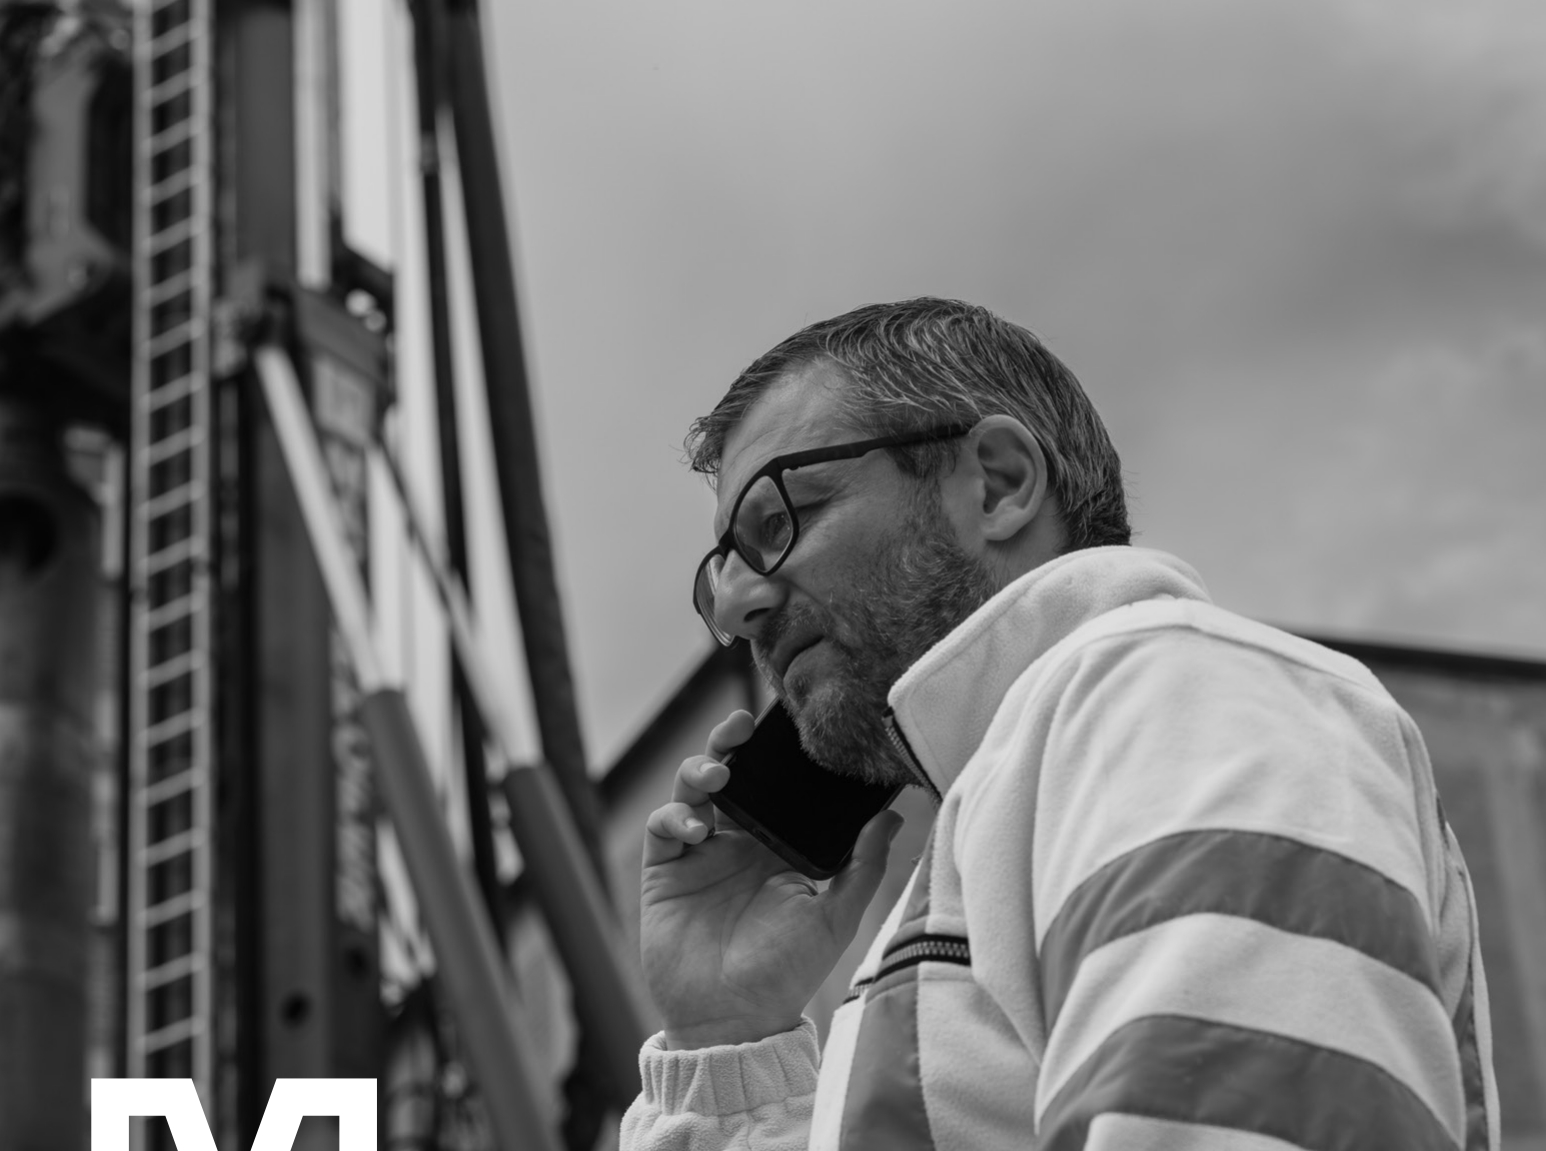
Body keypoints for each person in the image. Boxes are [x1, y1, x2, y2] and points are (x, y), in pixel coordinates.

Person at [622, 298, 1498, 1150]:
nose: (735, 604)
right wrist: (726, 1038)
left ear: (999, 483)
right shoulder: (1018, 803)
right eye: (722, 569)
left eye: (780, 520)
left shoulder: (1172, 698)